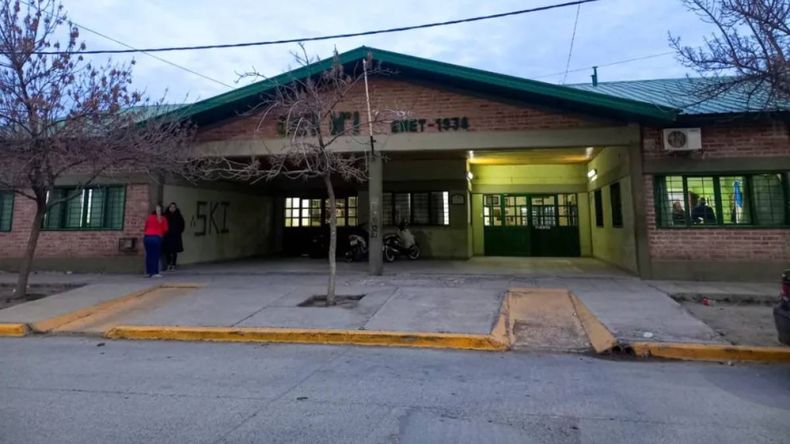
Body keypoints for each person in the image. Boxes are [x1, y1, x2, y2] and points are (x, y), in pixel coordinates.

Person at [143, 204, 168, 278]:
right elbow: (165, 229)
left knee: (149, 255)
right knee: (155, 255)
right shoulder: (163, 218)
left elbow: (145, 227)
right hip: (156, 238)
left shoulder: (150, 218)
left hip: (147, 237)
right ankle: (154, 272)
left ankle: (148, 272)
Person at [162, 202, 185, 271]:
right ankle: (168, 264)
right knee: (167, 251)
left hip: (175, 236)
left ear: (175, 208)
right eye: (171, 207)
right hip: (167, 235)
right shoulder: (165, 215)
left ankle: (173, 264)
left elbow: (182, 225)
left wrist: (178, 231)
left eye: (173, 207)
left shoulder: (178, 216)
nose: (172, 208)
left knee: (174, 251)